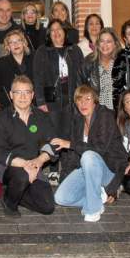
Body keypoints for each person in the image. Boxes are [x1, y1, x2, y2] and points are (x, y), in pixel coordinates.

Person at [0, 76, 59, 216]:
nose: (22, 97)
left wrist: (38, 161)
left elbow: (54, 144)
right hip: (7, 166)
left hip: (33, 166)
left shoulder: (42, 117)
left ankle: (10, 191)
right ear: (11, 95)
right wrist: (26, 165)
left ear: (32, 95)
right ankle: (9, 203)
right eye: (18, 92)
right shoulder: (1, 118)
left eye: (27, 92)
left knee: (47, 206)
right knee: (22, 176)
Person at [53, 86, 122, 222]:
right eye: (79, 100)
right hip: (87, 169)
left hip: (109, 170)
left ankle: (93, 209)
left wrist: (70, 144)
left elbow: (100, 149)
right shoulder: (78, 120)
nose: (83, 103)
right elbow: (72, 155)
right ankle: (98, 197)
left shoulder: (105, 116)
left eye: (87, 99)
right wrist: (65, 178)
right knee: (61, 198)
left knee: (88, 155)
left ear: (95, 101)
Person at [33, 19, 84, 184]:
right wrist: (40, 101)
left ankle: (68, 169)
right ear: (49, 34)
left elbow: (82, 75)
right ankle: (53, 170)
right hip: (51, 101)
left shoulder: (74, 50)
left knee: (69, 134)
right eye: (52, 30)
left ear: (65, 32)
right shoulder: (42, 51)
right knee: (52, 135)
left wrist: (82, 99)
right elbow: (37, 78)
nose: (56, 33)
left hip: (72, 100)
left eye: (59, 29)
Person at [0, 29, 34, 108]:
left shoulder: (34, 59)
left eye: (18, 40)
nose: (16, 44)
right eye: (11, 42)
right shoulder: (1, 63)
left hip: (33, 105)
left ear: (24, 43)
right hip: (9, 106)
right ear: (8, 47)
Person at [82, 27, 121, 110]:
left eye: (108, 41)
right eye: (102, 41)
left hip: (118, 112)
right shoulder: (88, 62)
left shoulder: (121, 62)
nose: (105, 45)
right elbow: (81, 91)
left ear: (115, 44)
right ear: (97, 44)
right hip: (96, 112)